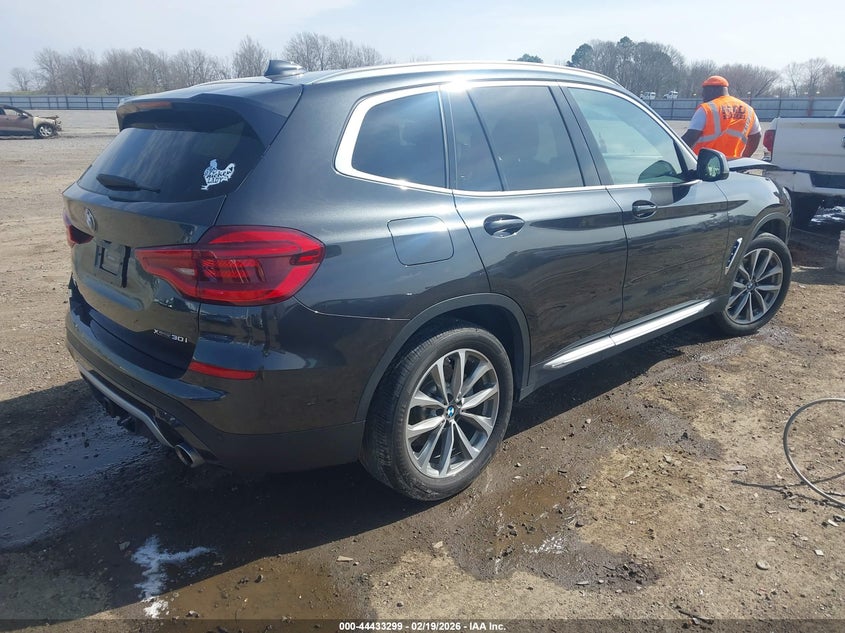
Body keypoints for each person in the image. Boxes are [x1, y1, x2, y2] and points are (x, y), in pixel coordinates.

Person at [681, 75, 761, 159]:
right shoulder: (748, 110)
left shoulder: (707, 109)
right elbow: (756, 135)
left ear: (712, 90)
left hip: (705, 164)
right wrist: (745, 157)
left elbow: (690, 138)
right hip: (734, 163)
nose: (703, 95)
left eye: (705, 91)